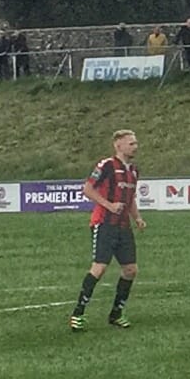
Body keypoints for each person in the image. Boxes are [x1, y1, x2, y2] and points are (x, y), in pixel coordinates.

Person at [70, 129, 144, 331]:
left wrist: (137, 217)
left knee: (130, 270)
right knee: (100, 267)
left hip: (123, 226)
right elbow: (88, 189)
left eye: (136, 143)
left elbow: (130, 198)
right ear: (118, 145)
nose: (135, 147)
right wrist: (109, 205)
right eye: (131, 143)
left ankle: (116, 314)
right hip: (104, 223)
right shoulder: (107, 165)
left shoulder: (134, 170)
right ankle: (78, 313)